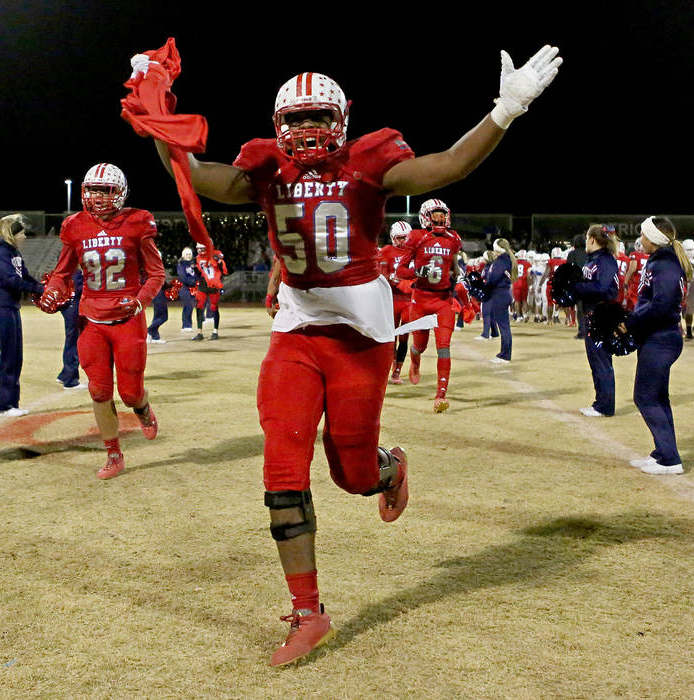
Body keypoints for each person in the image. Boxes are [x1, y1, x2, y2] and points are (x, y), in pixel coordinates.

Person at [148, 47, 561, 665]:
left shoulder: (370, 159)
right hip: (297, 327)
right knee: (282, 463)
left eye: (319, 117)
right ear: (278, 122)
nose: (308, 130)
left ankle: (387, 467)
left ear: (341, 119)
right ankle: (308, 611)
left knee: (352, 475)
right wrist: (158, 116)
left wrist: (507, 108)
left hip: (361, 335)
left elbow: (446, 167)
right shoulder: (266, 166)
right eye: (298, 119)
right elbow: (195, 174)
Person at [36, 163, 163, 479]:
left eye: (105, 190)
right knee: (99, 390)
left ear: (120, 192)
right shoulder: (75, 225)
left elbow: (157, 273)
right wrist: (52, 290)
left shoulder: (138, 221)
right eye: (92, 189)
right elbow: (63, 273)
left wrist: (140, 301)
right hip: (91, 319)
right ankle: (114, 455)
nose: (98, 196)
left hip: (127, 319)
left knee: (131, 392)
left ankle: (143, 409)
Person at [622, 216, 692, 475]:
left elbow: (662, 305)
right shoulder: (662, 260)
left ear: (652, 238)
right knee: (657, 397)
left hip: (661, 337)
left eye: (643, 235)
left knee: (646, 396)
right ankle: (663, 452)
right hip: (658, 336)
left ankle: (670, 459)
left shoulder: (665, 264)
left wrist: (631, 322)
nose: (640, 240)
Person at [396, 199, 463, 411]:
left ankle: (440, 395)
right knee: (420, 345)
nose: (440, 219)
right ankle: (415, 359)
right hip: (421, 300)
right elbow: (400, 271)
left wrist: (460, 283)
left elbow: (454, 268)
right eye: (436, 215)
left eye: (442, 214)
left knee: (444, 346)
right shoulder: (416, 237)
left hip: (443, 300)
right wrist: (418, 272)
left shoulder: (453, 239)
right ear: (426, 216)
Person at [0, 214, 46, 417]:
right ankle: (2, 406)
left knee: (15, 355)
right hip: (2, 307)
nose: (24, 237)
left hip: (11, 307)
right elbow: (10, 279)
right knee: (9, 356)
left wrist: (43, 287)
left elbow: (25, 276)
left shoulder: (13, 253)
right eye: (21, 233)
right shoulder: (0, 252)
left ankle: (11, 403)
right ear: (12, 234)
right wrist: (37, 290)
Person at [574, 224, 621, 417]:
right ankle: (600, 402)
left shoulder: (606, 261)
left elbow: (603, 288)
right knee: (596, 359)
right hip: (593, 312)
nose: (586, 241)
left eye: (587, 237)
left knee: (601, 360)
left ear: (592, 239)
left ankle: (605, 406)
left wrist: (577, 287)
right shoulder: (594, 260)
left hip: (602, 313)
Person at [378, 220, 414, 383]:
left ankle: (397, 372)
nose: (403, 241)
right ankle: (387, 368)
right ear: (393, 237)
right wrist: (392, 279)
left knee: (405, 337)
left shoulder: (416, 251)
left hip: (409, 301)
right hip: (391, 300)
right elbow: (381, 275)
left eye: (405, 238)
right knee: (390, 336)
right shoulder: (386, 251)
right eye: (399, 238)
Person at [484, 238, 517, 363]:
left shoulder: (501, 261)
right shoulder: (507, 260)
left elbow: (493, 278)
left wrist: (485, 288)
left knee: (504, 327)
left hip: (500, 295)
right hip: (504, 293)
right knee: (504, 326)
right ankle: (504, 353)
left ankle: (505, 355)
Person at [56, 269, 86, 389]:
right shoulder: (76, 272)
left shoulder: (68, 270)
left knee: (72, 341)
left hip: (69, 307)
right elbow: (77, 290)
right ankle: (70, 380)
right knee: (74, 342)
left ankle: (64, 375)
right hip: (73, 307)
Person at [193, 243, 229, 340]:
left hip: (214, 284)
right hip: (203, 284)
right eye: (198, 249)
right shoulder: (197, 258)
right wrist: (195, 269)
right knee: (199, 306)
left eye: (202, 248)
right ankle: (199, 332)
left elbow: (224, 271)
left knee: (214, 307)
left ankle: (215, 331)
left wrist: (220, 264)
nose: (200, 251)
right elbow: (199, 272)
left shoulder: (215, 255)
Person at [566, 232, 588, 336]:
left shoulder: (572, 254)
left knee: (579, 308)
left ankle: (582, 329)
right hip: (589, 281)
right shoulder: (589, 252)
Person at [146, 258, 171, 344]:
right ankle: (148, 330)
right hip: (157, 291)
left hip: (156, 291)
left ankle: (155, 336)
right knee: (164, 316)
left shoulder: (151, 266)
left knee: (157, 315)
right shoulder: (155, 267)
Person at [176, 247, 198, 334]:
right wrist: (193, 282)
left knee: (189, 306)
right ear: (183, 256)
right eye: (187, 254)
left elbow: (196, 275)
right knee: (188, 305)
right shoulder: (181, 265)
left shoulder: (192, 265)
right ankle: (186, 326)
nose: (188, 256)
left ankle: (186, 326)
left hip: (192, 288)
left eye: (190, 254)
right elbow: (183, 277)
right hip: (184, 288)